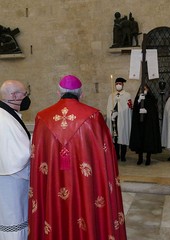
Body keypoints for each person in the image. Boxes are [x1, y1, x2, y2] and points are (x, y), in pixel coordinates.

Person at [28, 75, 127, 240]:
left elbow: (37, 155)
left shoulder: (42, 117)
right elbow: (106, 154)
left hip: (53, 181)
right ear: (81, 95)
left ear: (58, 93)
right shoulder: (94, 117)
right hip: (84, 184)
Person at [0, 80, 31, 240]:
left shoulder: (6, 114)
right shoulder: (4, 120)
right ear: (13, 96)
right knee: (13, 219)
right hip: (11, 182)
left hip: (9, 180)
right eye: (24, 94)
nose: (26, 98)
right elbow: (20, 155)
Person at [129, 84, 162, 165]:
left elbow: (154, 111)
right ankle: (140, 157)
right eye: (141, 89)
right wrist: (139, 101)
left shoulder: (151, 98)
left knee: (148, 141)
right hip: (140, 124)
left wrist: (147, 111)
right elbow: (135, 110)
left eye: (145, 88)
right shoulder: (138, 98)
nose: (143, 90)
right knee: (140, 140)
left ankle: (148, 158)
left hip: (148, 124)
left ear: (148, 89)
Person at [106, 77, 132, 162]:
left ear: (123, 85)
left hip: (123, 119)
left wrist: (120, 103)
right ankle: (116, 154)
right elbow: (109, 107)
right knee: (115, 136)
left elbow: (129, 107)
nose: (118, 85)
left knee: (123, 135)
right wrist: (111, 114)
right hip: (114, 119)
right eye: (117, 84)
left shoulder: (127, 95)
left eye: (120, 84)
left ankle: (123, 155)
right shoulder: (111, 95)